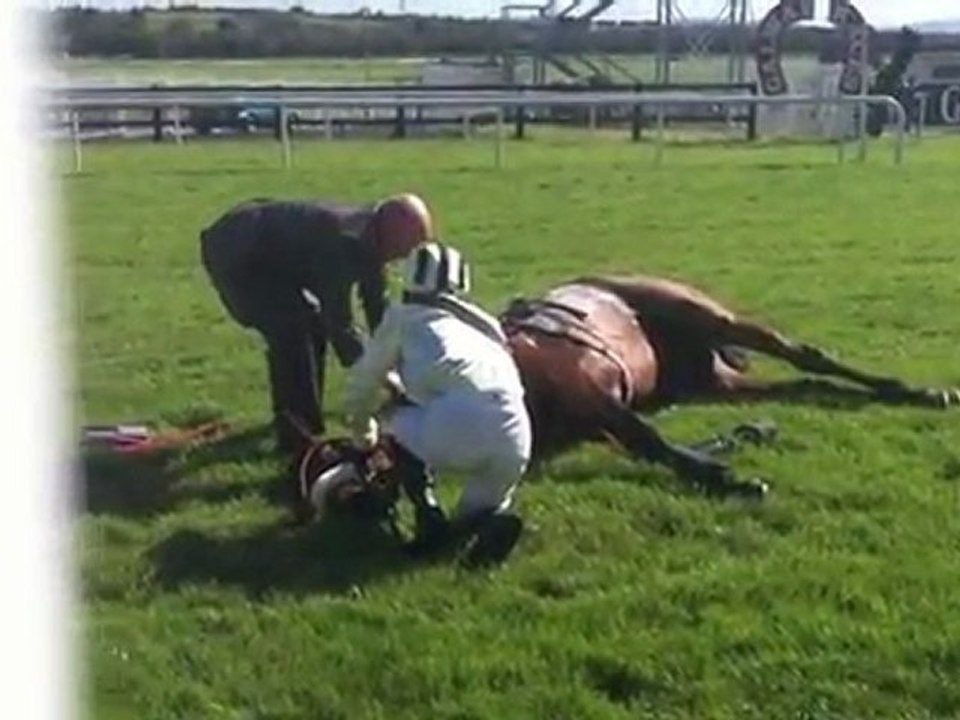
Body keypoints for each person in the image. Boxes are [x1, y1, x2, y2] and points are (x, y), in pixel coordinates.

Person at [199, 193, 434, 454]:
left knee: (311, 326)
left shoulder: (371, 237)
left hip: (274, 257)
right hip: (237, 253)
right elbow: (340, 325)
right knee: (292, 331)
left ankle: (302, 418)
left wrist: (398, 359)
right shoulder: (339, 242)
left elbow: (377, 308)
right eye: (401, 251)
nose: (400, 260)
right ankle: (298, 435)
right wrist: (385, 379)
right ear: (389, 236)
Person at [342, 242, 533, 562]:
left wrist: (364, 432)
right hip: (517, 434)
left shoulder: (402, 319)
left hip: (460, 423)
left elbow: (364, 383)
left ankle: (426, 512)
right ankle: (480, 524)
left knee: (391, 416)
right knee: (471, 515)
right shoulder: (487, 326)